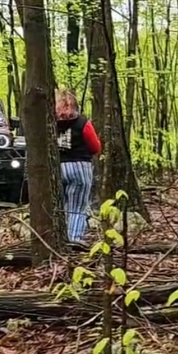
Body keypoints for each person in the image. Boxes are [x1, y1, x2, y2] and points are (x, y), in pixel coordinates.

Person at [55, 89, 101, 245]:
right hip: (80, 169)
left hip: (58, 169)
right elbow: (95, 147)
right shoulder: (83, 123)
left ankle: (59, 237)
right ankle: (73, 239)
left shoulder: (49, 124)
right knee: (77, 207)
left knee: (61, 205)